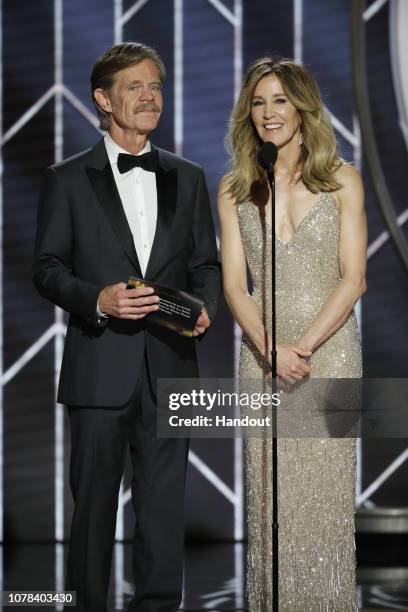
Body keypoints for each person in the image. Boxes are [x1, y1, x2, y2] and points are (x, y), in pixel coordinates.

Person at [33, 42, 220, 612]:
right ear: (103, 99)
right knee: (92, 511)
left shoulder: (187, 177)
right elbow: (47, 269)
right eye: (135, 87)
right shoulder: (66, 179)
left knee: (163, 510)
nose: (149, 97)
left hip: (171, 365)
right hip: (99, 365)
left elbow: (204, 264)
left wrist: (204, 307)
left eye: (156, 87)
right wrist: (99, 299)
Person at [217, 57, 367, 611]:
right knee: (269, 501)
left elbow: (354, 279)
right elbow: (235, 287)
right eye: (258, 102)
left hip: (328, 355)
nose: (268, 113)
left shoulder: (343, 180)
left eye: (279, 100)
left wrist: (299, 350)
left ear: (303, 106)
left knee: (321, 502)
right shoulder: (235, 188)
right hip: (261, 358)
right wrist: (271, 350)